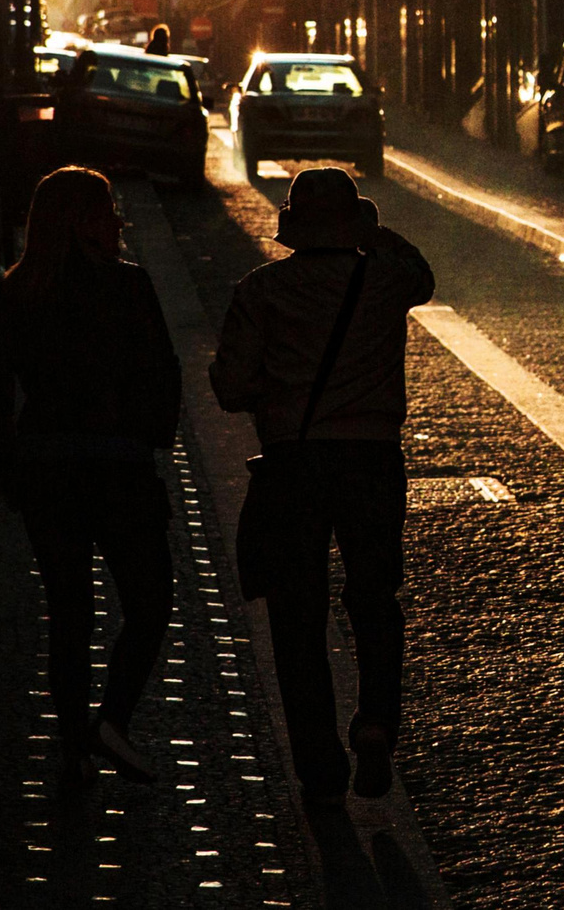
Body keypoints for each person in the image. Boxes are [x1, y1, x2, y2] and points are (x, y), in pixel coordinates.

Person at [212, 166, 436, 807]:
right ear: (353, 222)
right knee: (373, 597)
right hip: (371, 459)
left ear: (291, 227)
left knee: (296, 614)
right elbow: (423, 275)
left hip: (293, 465)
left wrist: (272, 394)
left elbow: (229, 388)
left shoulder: (259, 291)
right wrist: (377, 230)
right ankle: (374, 725)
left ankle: (318, 764)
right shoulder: (386, 280)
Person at [0, 165, 182, 783]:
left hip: (47, 467)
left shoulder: (15, 292)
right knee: (149, 605)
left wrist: (7, 466)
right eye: (106, 210)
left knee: (68, 611)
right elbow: (162, 373)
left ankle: (74, 744)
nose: (117, 221)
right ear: (81, 221)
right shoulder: (127, 286)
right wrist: (150, 436)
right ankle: (111, 721)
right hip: (118, 467)